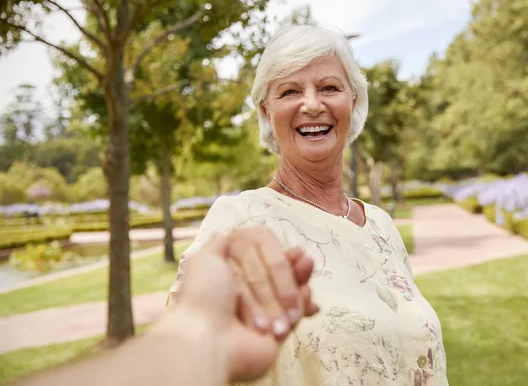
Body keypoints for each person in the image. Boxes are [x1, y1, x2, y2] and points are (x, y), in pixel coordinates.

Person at [169, 25, 448, 385]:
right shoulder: (241, 221)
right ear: (267, 112)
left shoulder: (380, 225)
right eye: (290, 91)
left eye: (329, 88)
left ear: (353, 101)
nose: (313, 104)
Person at [12, 233, 319, 386]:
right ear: (265, 113)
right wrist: (203, 328)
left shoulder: (371, 216)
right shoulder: (232, 220)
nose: (311, 105)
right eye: (285, 101)